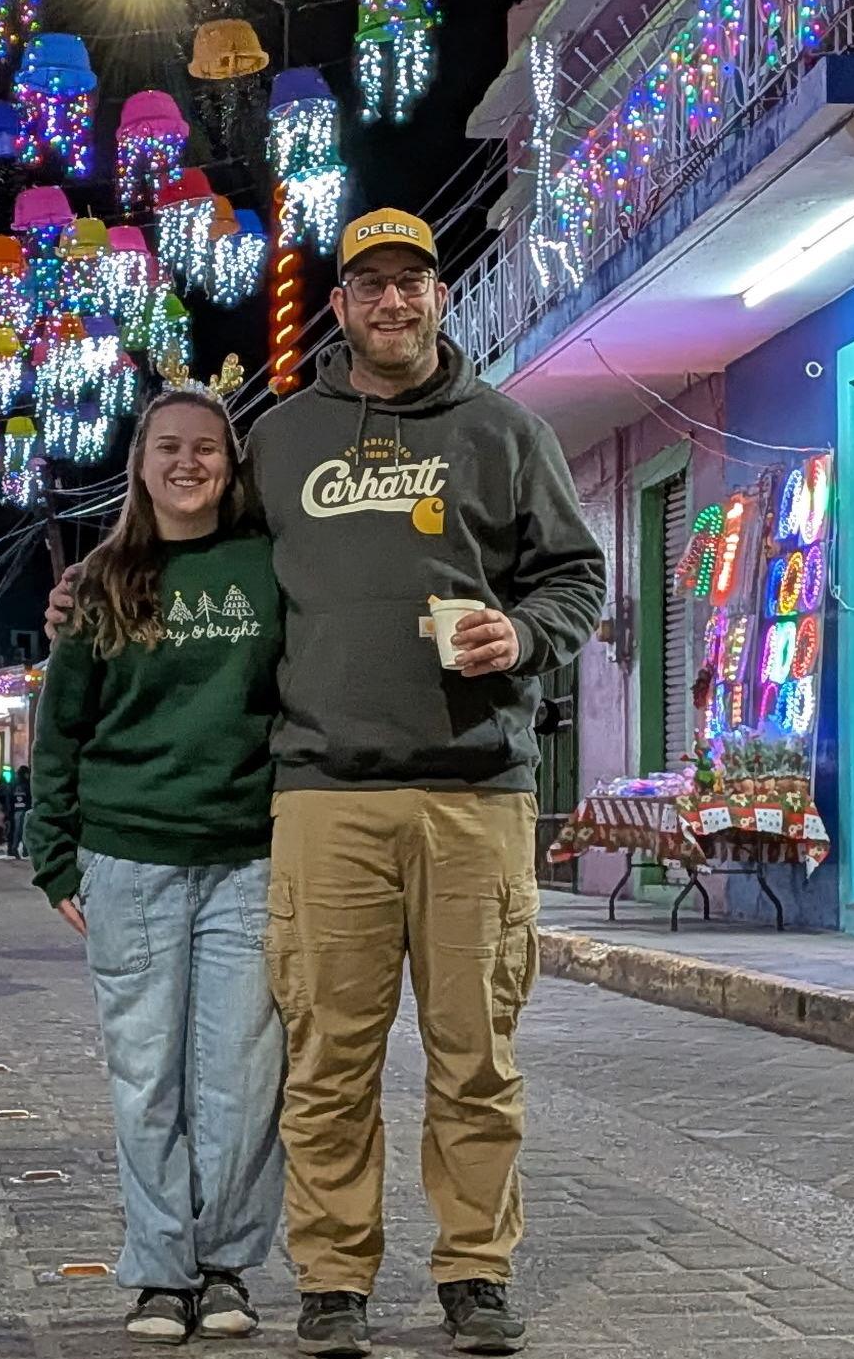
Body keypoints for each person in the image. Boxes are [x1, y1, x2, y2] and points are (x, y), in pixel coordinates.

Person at [48, 207, 605, 1357]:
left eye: (413, 281)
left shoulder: (506, 432)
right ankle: (334, 1277)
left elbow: (574, 577)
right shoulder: (285, 438)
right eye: (371, 285)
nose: (393, 301)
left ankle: (475, 1270)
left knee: (477, 1055)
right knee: (325, 1060)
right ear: (339, 307)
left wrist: (524, 634)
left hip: (476, 791)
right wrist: (92, 591)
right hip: (319, 795)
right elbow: (193, 542)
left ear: (439, 295)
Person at [26, 388, 287, 1345]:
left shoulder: (270, 567)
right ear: (141, 464)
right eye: (168, 447)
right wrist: (54, 855)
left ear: (231, 464)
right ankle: (160, 1274)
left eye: (207, 448)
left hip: (247, 861)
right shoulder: (101, 580)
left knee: (243, 1081)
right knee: (148, 1080)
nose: (188, 463)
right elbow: (60, 730)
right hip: (128, 860)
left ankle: (226, 1269)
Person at [0, 769, 16, 855]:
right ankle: (10, 849)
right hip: (7, 812)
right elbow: (8, 801)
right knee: (11, 831)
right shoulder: (8, 788)